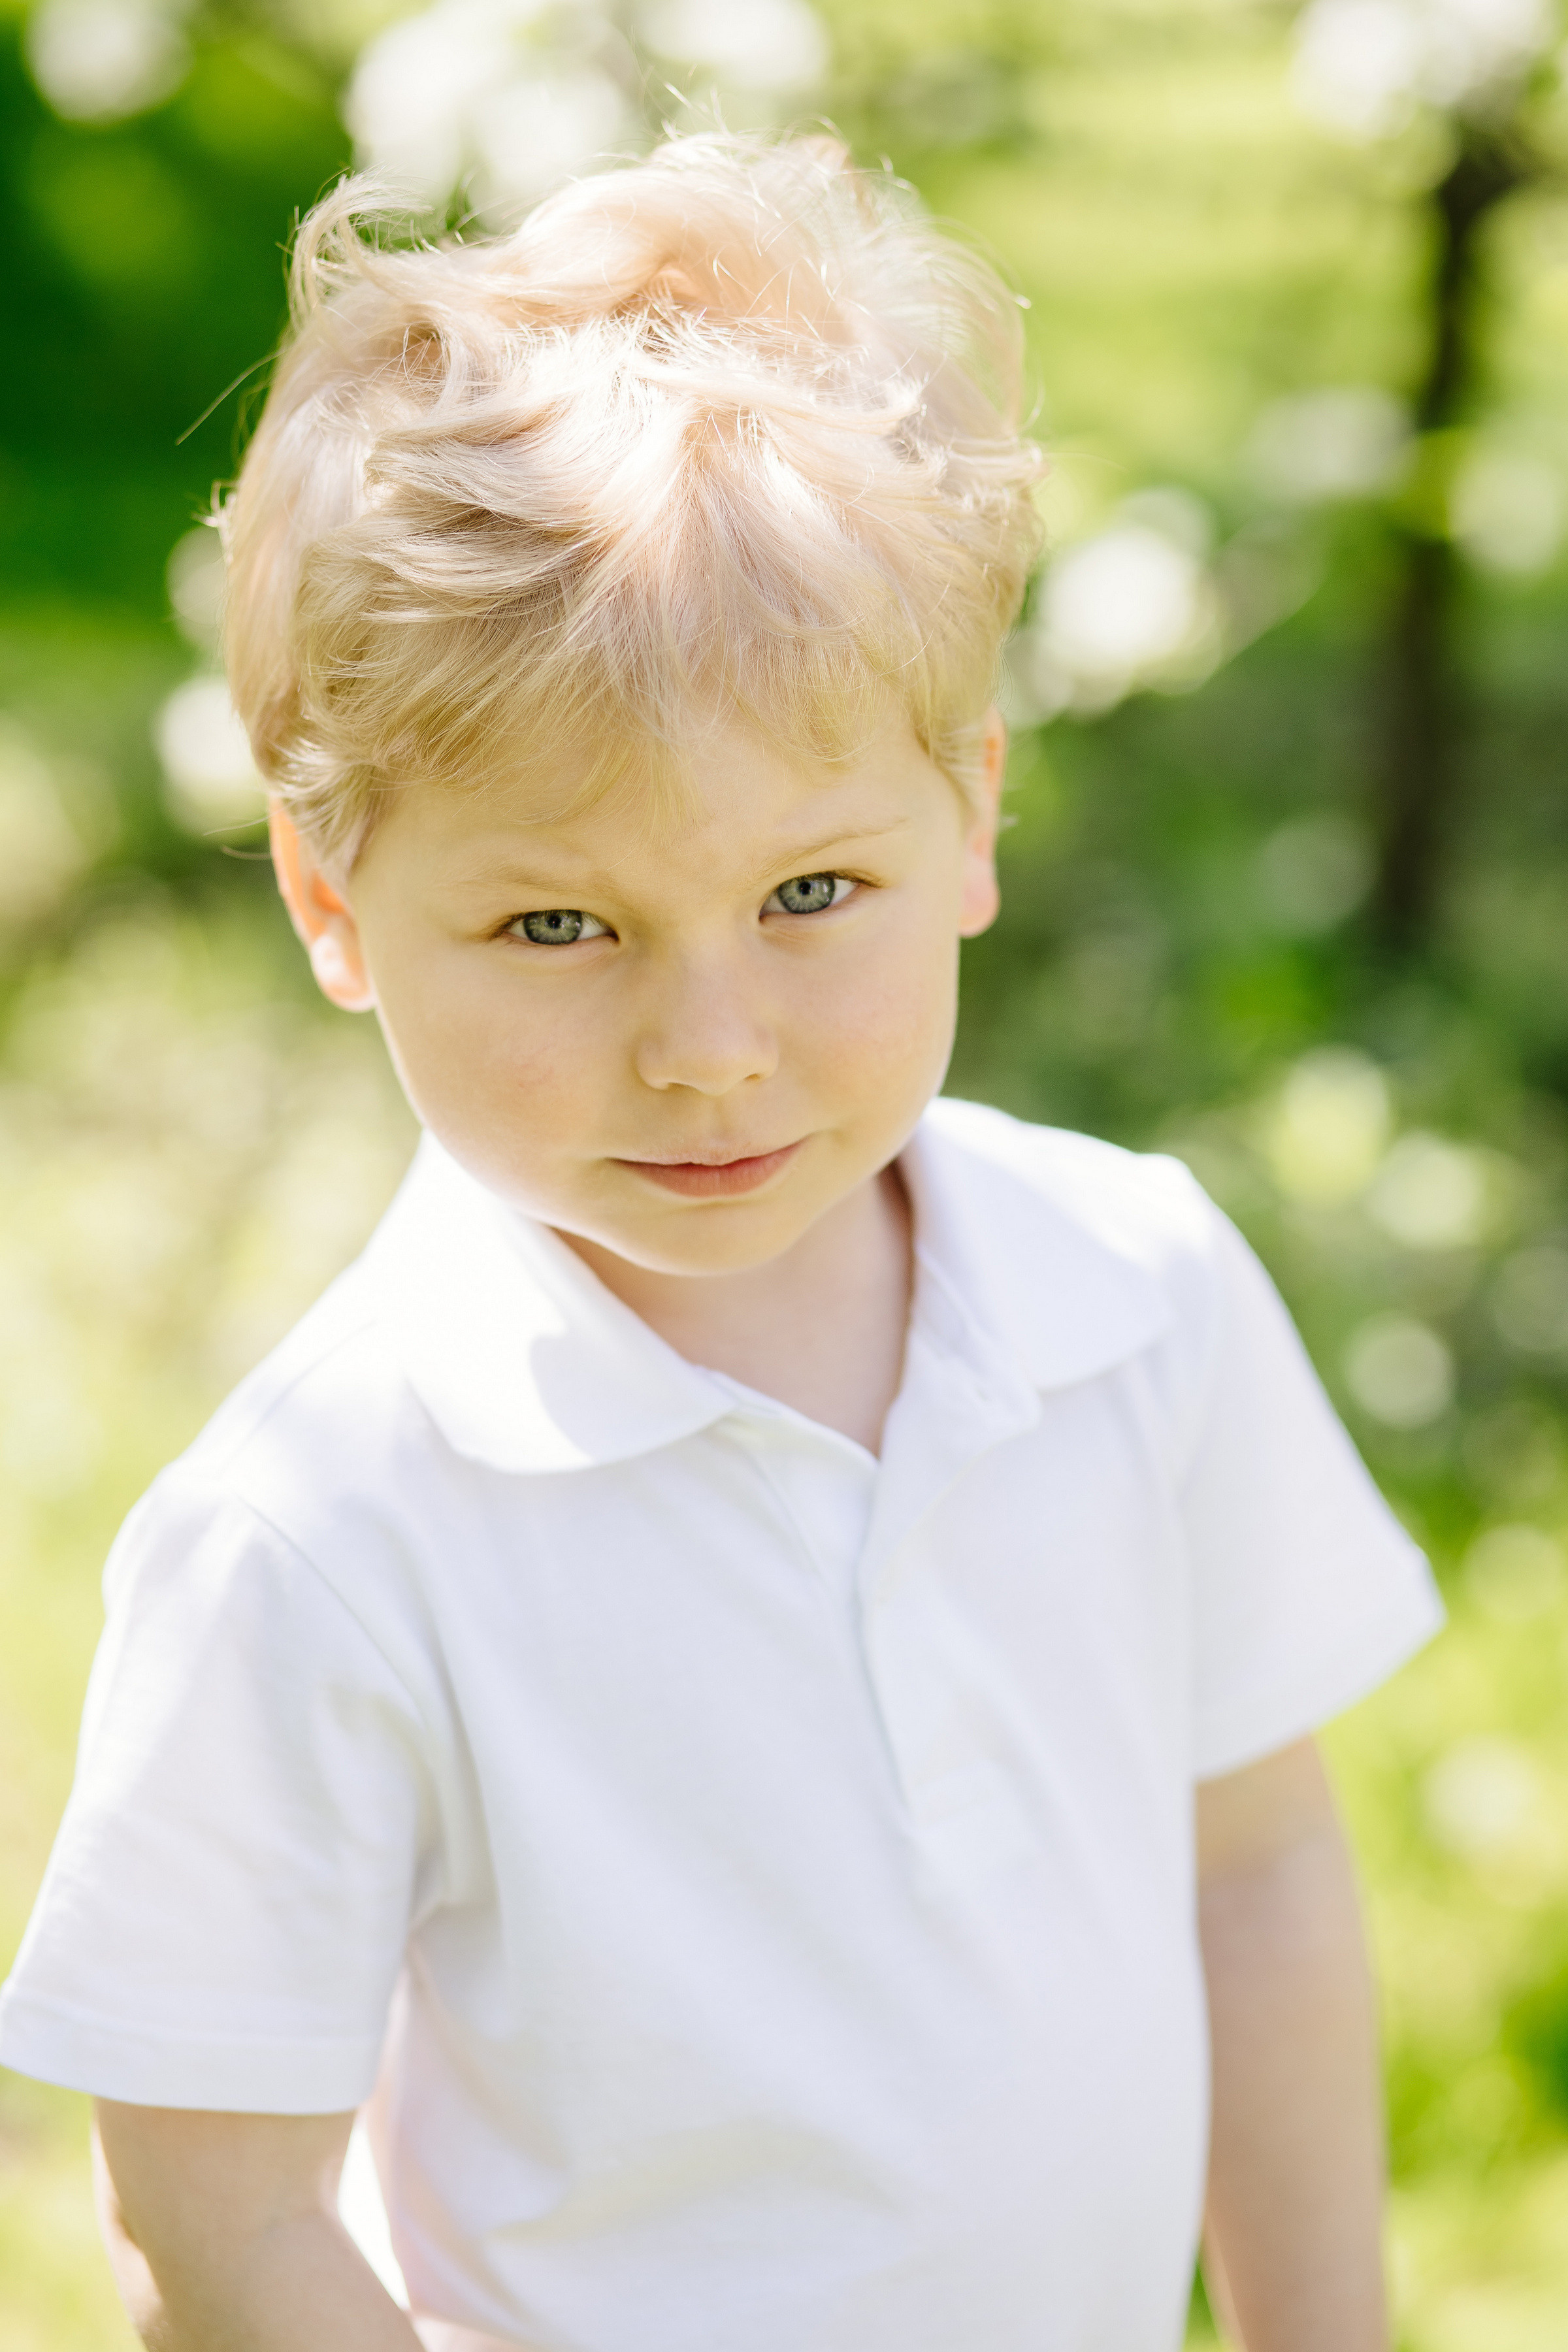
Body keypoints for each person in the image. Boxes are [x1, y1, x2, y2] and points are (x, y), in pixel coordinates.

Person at [0, 130, 1441, 2352]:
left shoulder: (1131, 1296)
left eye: (806, 898)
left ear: (968, 813)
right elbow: (210, 2212)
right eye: (557, 923)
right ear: (331, 904)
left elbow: (1248, 1870)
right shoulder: (324, 1536)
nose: (708, 1048)